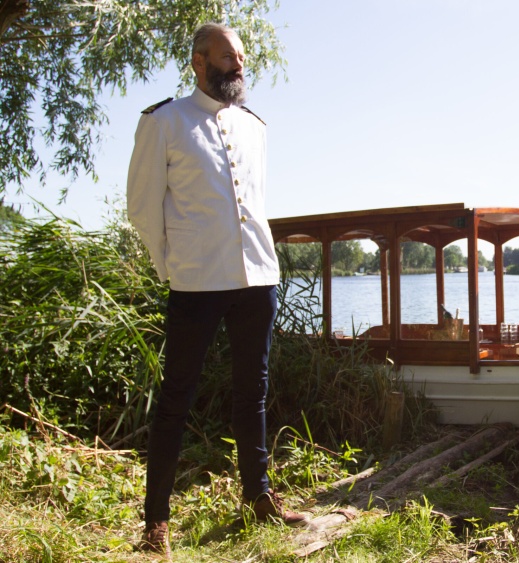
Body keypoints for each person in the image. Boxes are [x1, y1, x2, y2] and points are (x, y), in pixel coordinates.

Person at [127, 22, 306, 557]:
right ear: (199, 62)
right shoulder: (164, 122)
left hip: (257, 278)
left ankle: (259, 498)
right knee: (175, 398)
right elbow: (142, 208)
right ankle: (155, 521)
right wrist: (174, 268)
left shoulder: (255, 126)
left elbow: (252, 201)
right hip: (195, 281)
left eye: (242, 58)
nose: (239, 66)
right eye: (228, 57)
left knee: (252, 392)